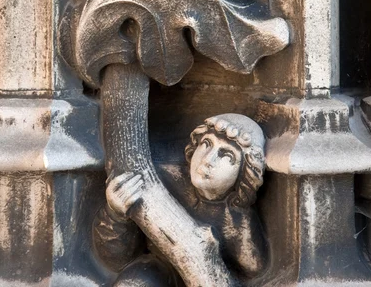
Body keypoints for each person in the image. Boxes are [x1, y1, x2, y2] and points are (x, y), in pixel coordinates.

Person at [93, 114, 267, 285]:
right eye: (206, 144)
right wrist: (115, 216)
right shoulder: (159, 182)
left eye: (227, 156)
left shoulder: (238, 223)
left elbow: (253, 268)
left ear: (244, 176)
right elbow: (117, 259)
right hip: (156, 270)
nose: (208, 160)